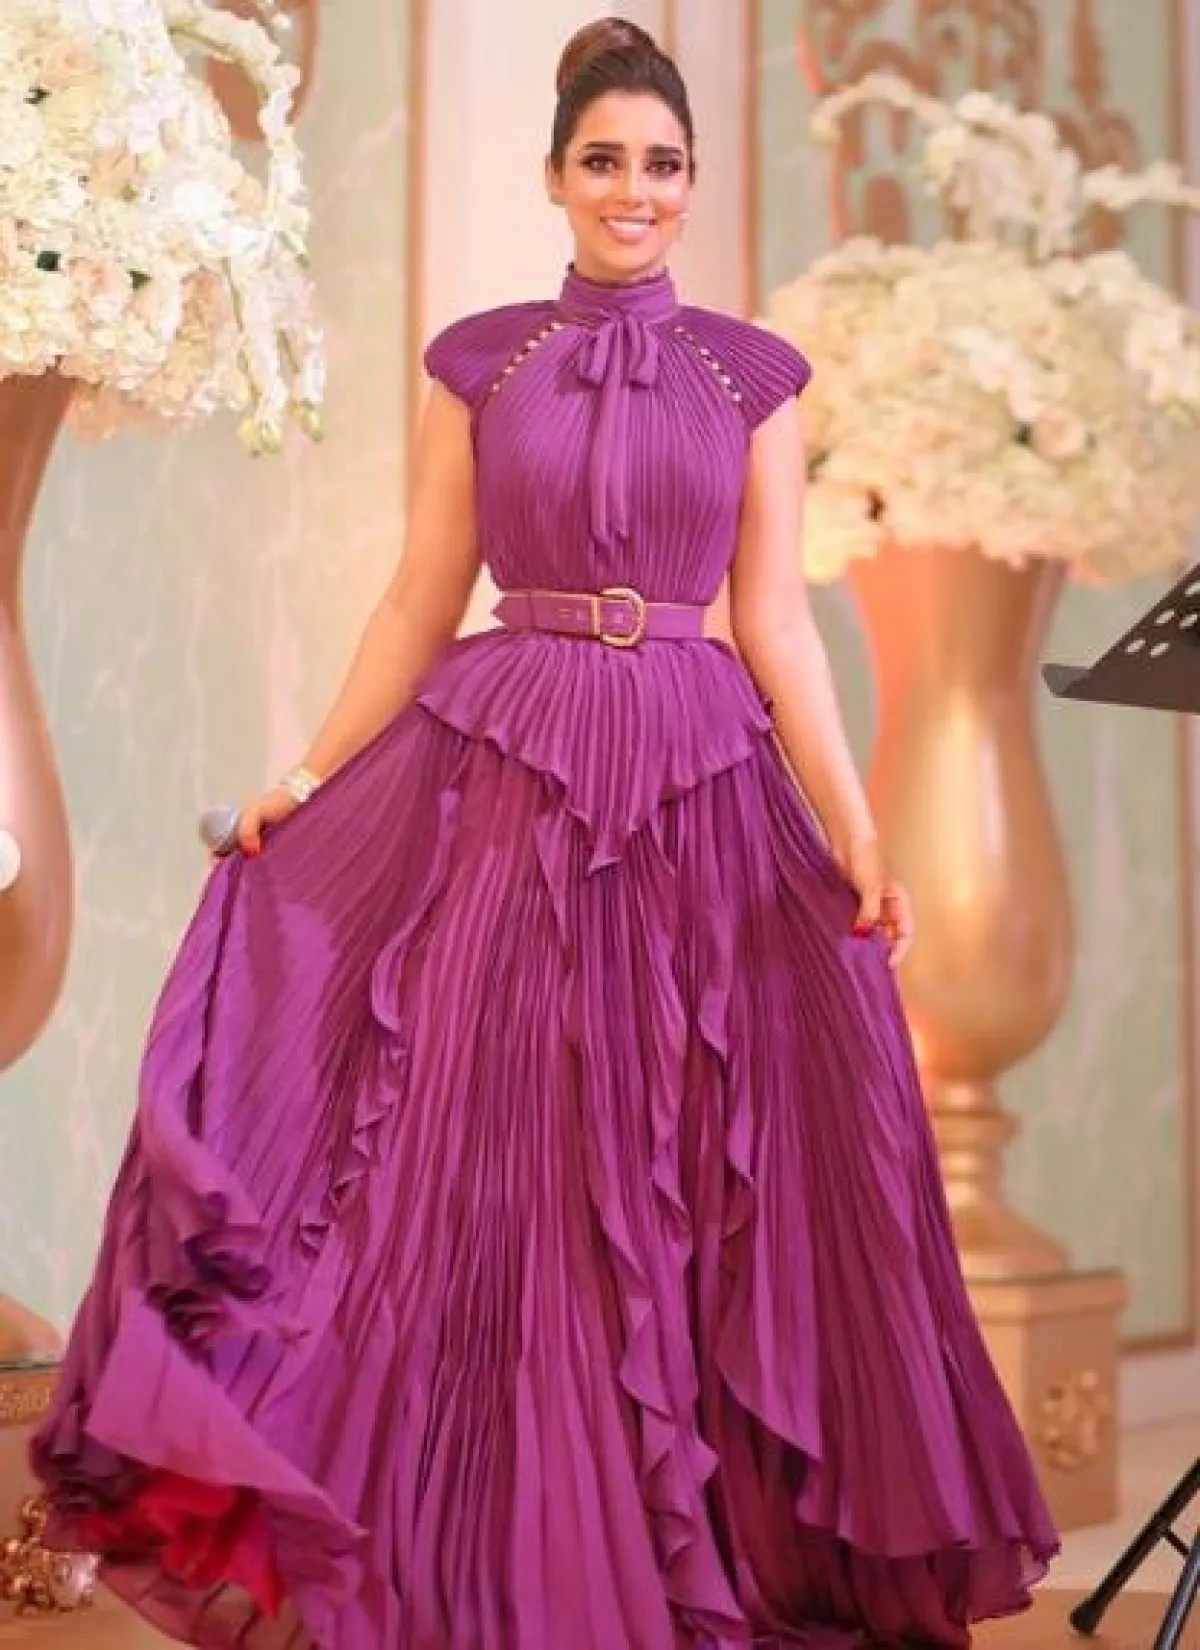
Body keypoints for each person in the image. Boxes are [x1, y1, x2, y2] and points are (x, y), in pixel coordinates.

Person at [30, 17, 1059, 1649]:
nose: (633, 188)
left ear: (691, 183)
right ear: (556, 178)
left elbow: (779, 625)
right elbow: (417, 596)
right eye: (603, 160)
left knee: (690, 1170)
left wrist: (861, 834)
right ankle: (507, 1557)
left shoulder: (754, 378)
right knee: (509, 1168)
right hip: (508, 770)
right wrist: (305, 772)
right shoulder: (482, 362)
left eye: (661, 163)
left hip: (704, 781)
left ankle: (684, 1549)